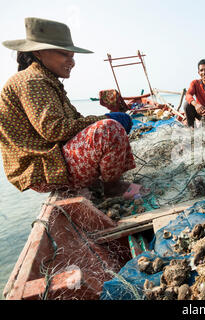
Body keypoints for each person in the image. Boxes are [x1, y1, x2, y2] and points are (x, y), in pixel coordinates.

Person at [0, 17, 143, 199]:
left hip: (55, 161)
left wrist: (103, 119)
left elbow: (75, 120)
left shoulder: (44, 79)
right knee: (108, 130)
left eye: (72, 56)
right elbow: (54, 130)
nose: (72, 62)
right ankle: (112, 189)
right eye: (64, 54)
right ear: (39, 53)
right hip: (45, 170)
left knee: (107, 126)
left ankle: (101, 183)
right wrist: (107, 119)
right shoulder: (33, 81)